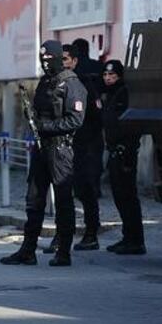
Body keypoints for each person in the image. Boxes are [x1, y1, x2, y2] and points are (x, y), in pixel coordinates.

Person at [0, 40, 86, 268]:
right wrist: (32, 118)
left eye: (50, 59)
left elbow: (75, 120)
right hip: (41, 148)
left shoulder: (71, 84)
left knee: (63, 202)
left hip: (60, 149)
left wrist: (44, 126)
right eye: (43, 59)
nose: (46, 63)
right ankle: (28, 250)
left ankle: (63, 251)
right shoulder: (45, 82)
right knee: (34, 199)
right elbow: (39, 112)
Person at [46, 42, 104, 253]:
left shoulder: (83, 83)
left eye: (65, 59)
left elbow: (95, 117)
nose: (61, 63)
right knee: (63, 193)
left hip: (85, 145)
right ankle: (61, 236)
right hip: (63, 145)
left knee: (85, 190)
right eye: (59, 59)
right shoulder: (53, 82)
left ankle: (91, 233)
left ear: (74, 61)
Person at [100, 60, 145, 254]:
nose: (108, 78)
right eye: (106, 75)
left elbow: (132, 125)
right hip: (114, 150)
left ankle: (136, 241)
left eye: (112, 75)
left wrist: (126, 147)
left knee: (128, 196)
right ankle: (128, 237)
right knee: (120, 196)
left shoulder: (125, 93)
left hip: (124, 152)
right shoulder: (110, 94)